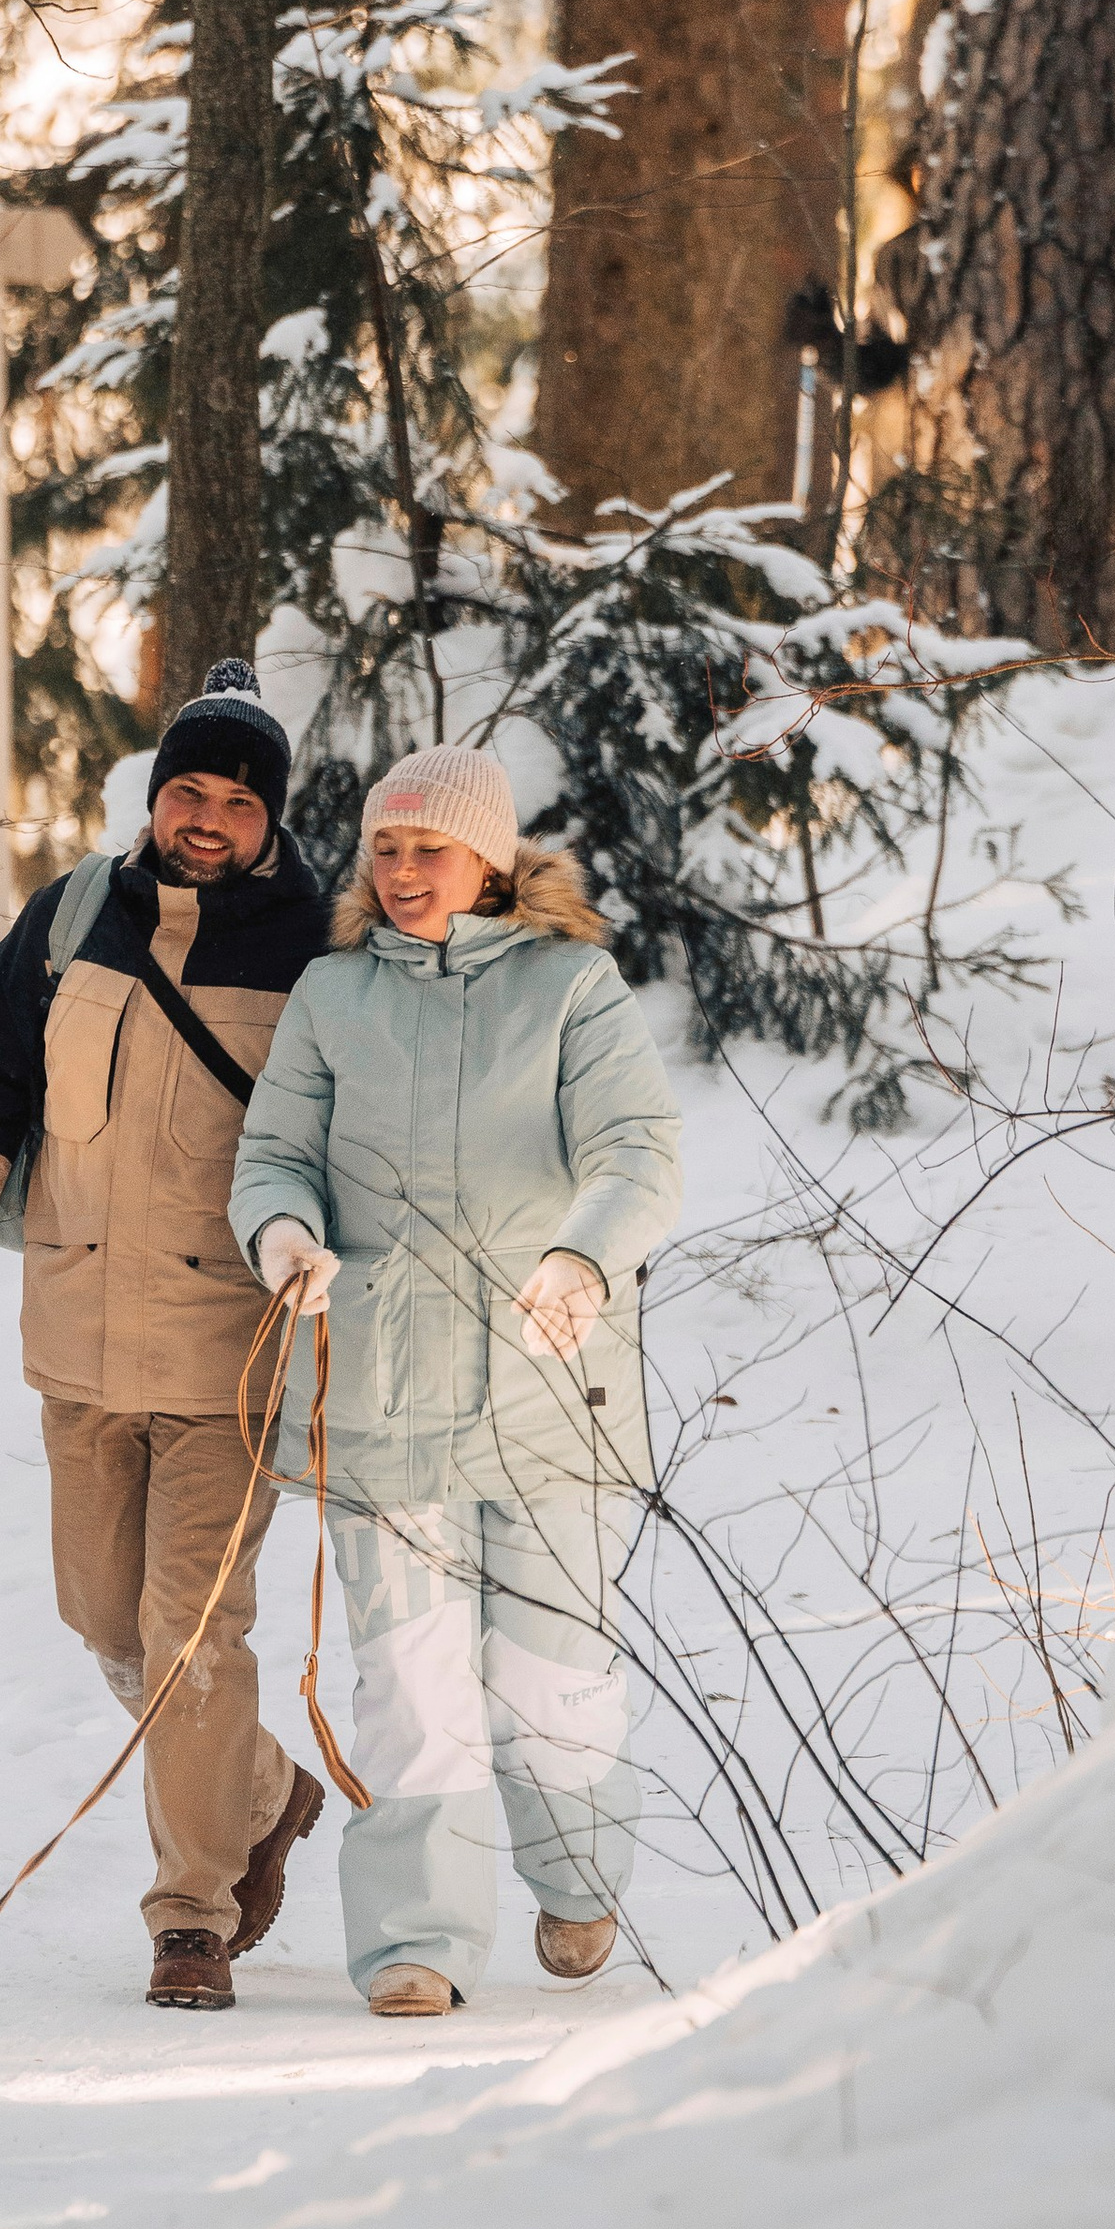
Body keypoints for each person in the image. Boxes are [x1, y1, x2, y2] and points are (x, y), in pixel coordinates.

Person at [0, 664, 335, 2010]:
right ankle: (264, 1787)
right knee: (104, 1618)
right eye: (187, 789)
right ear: (155, 794)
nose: (206, 816)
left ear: (270, 820)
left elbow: (359, 1144)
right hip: (78, 1341)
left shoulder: (316, 945)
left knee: (191, 1634)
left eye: (236, 802)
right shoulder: (76, 914)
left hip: (226, 1353)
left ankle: (190, 1912)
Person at [227, 743, 681, 2018]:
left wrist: (583, 1254)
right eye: (384, 846)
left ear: (490, 859)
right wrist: (283, 1233)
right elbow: (272, 1156)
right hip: (380, 1392)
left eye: (430, 847)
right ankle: (417, 1939)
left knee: (548, 1672)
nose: (403, 868)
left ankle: (577, 1878)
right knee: (413, 1680)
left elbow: (636, 1149)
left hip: (549, 1391)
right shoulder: (332, 994)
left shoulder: (571, 987)